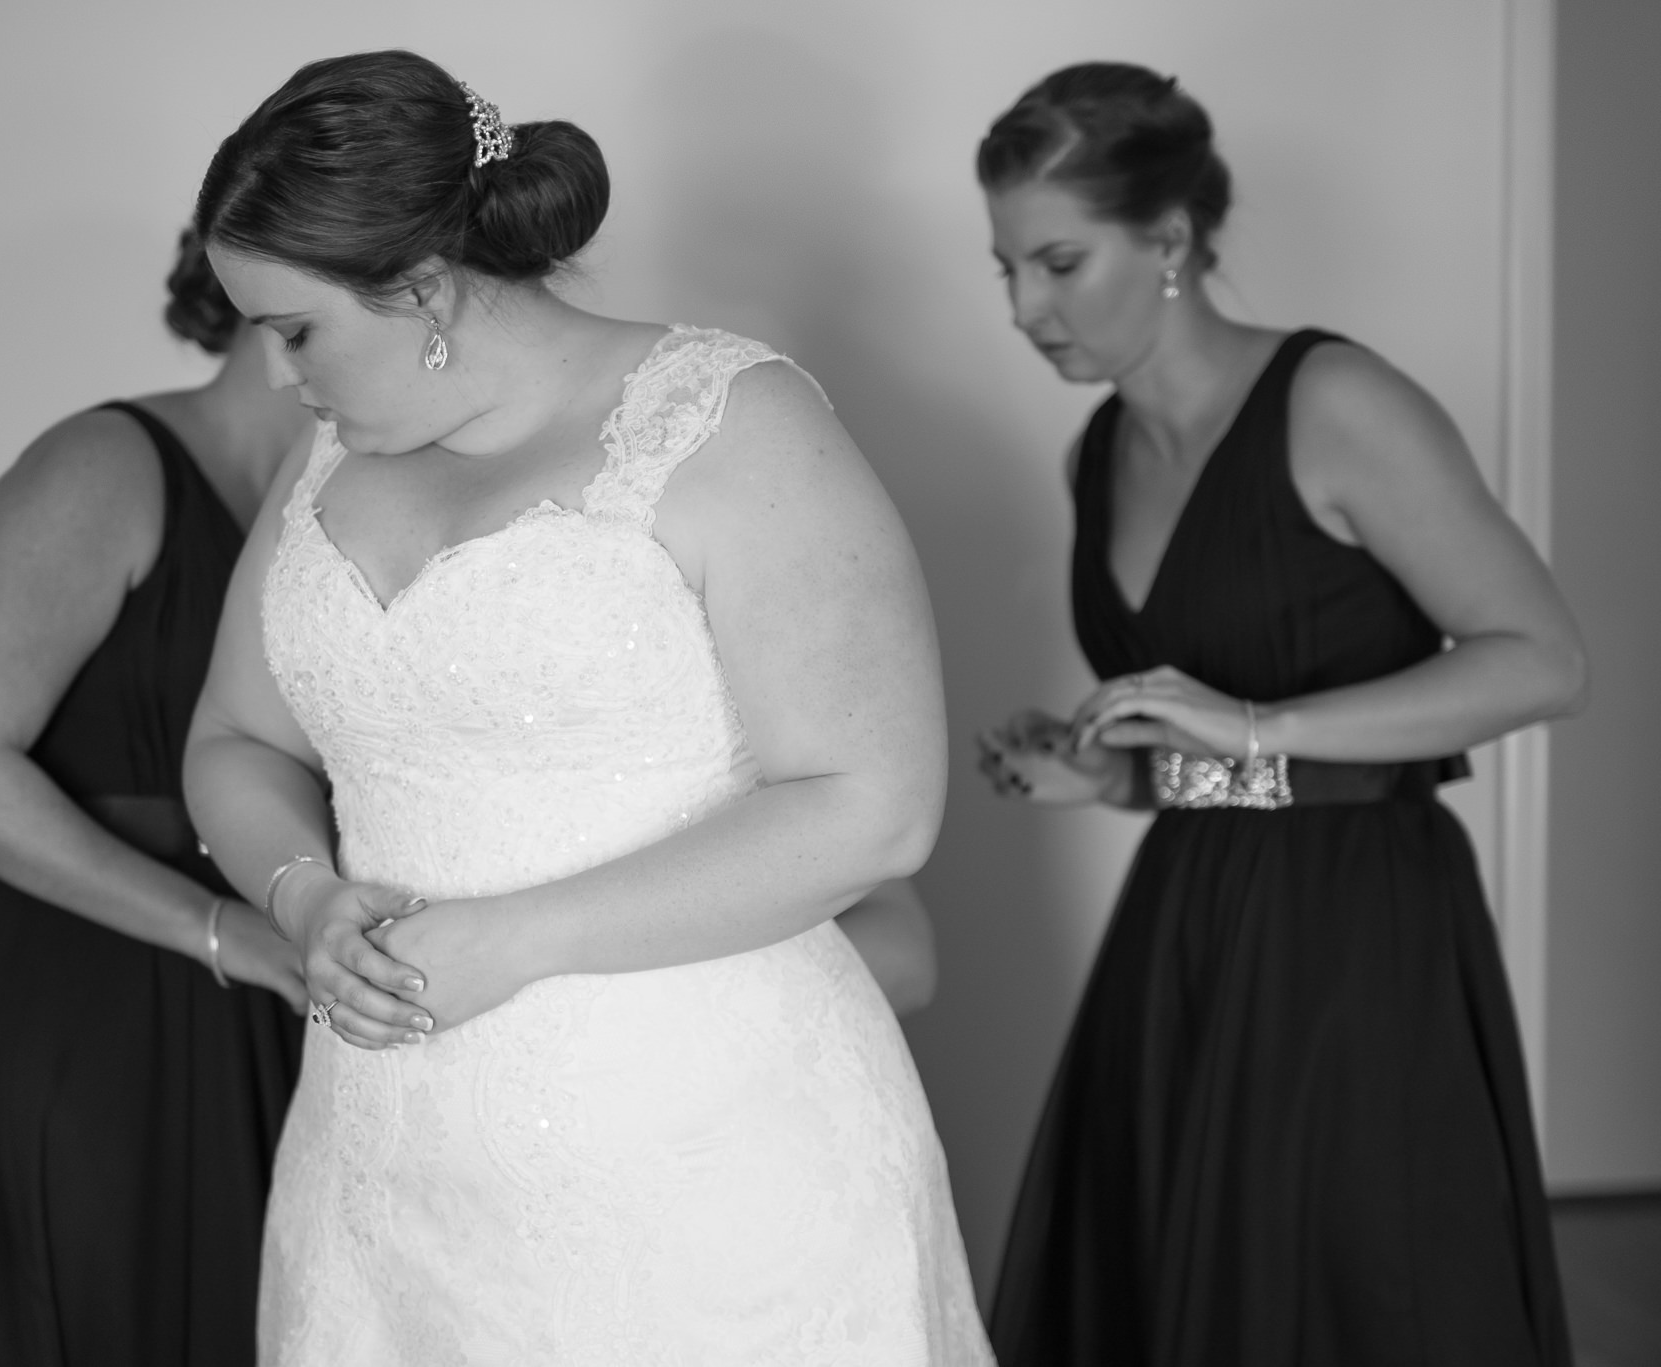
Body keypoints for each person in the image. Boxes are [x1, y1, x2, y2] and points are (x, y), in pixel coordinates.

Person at [181, 49, 989, 1365]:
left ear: (426, 287)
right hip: (391, 1167)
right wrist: (301, 894)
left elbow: (873, 808)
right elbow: (234, 736)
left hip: (706, 1157)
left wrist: (520, 937)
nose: (277, 376)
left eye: (294, 329)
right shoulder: (325, 460)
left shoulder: (731, 422)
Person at [973, 62, 1583, 1367]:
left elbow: (1542, 659)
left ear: (1173, 238)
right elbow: (1246, 770)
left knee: (1350, 1291)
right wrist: (1116, 784)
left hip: (1362, 937)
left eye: (1060, 262)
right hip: (1185, 927)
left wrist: (1253, 719)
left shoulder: (1337, 405)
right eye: (1007, 269)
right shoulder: (1099, 455)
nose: (1026, 307)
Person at [0, 231, 313, 1366]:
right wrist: (222, 931)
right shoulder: (102, 466)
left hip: (281, 980)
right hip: (92, 996)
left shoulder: (350, 501)